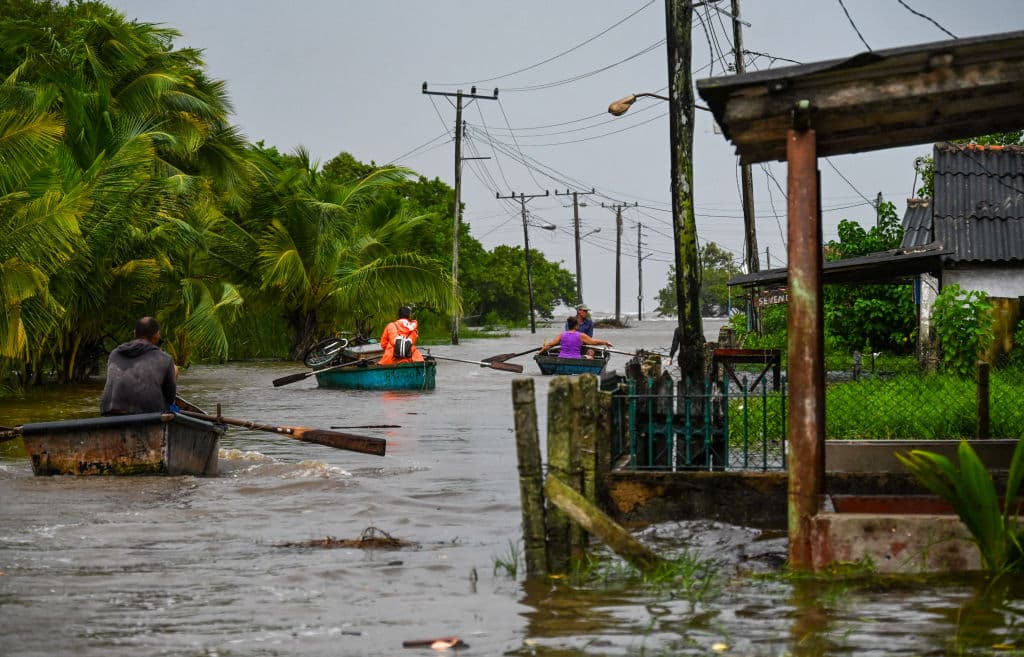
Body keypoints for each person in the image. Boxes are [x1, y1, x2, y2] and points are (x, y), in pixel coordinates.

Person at [100, 316, 179, 415]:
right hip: (148, 415)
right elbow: (170, 397)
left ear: (134, 333)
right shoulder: (165, 359)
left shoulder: (114, 354)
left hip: (110, 412)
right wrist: (173, 374)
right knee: (174, 370)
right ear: (157, 335)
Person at [540, 316, 613, 359]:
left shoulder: (561, 335)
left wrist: (540, 352)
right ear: (576, 326)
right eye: (578, 325)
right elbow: (594, 342)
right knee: (590, 357)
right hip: (576, 358)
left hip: (562, 358)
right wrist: (605, 342)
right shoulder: (581, 335)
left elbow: (549, 345)